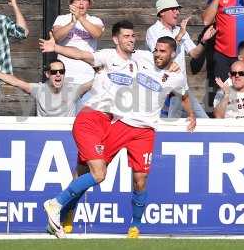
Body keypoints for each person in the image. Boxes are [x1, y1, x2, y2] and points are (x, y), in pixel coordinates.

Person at [39, 21, 195, 238]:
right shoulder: (108, 56)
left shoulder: (140, 59)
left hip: (112, 123)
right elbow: (82, 54)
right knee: (97, 173)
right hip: (94, 118)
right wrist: (56, 48)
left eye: (133, 36)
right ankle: (59, 205)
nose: (131, 39)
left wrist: (191, 113)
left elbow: (171, 63)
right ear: (115, 39)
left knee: (90, 172)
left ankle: (67, 215)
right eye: (126, 36)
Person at [146, 0, 216, 118]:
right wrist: (180, 35)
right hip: (164, 89)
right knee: (170, 125)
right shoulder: (153, 31)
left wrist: (204, 41)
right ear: (162, 12)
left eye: (178, 9)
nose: (177, 12)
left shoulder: (180, 30)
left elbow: (194, 53)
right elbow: (160, 58)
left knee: (204, 121)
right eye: (173, 9)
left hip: (182, 88)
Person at [52, 0, 105, 111]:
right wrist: (72, 22)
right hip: (65, 79)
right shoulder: (61, 19)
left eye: (84, 0)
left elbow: (97, 34)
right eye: (77, 0)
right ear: (71, 3)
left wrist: (80, 18)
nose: (81, 3)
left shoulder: (95, 20)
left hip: (88, 80)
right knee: (64, 119)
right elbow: (57, 37)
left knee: (84, 119)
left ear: (89, 4)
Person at [0, 59, 91, 116]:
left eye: (61, 72)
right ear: (47, 74)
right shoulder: (39, 89)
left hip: (66, 134)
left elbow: (93, 83)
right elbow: (16, 82)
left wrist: (105, 70)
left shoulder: (73, 90)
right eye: (54, 72)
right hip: (44, 133)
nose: (58, 74)